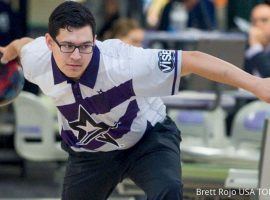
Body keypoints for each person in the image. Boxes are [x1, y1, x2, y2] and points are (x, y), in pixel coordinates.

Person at [1, 2, 270, 200]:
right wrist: (7, 54)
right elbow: (22, 45)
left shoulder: (125, 63)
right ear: (49, 43)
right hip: (90, 154)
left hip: (147, 140)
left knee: (168, 191)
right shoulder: (38, 59)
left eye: (84, 46)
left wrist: (256, 84)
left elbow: (195, 60)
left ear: (95, 40)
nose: (76, 55)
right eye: (67, 46)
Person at [245, 2, 270, 78]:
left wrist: (256, 48)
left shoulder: (254, 48)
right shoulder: (246, 47)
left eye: (264, 20)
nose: (258, 25)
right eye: (254, 21)